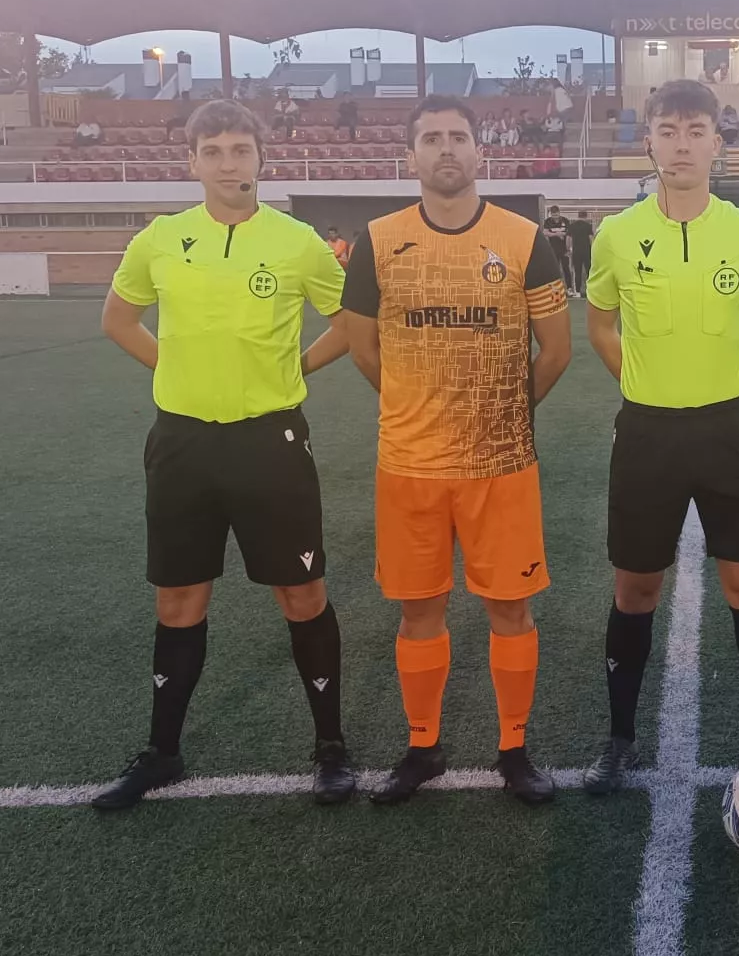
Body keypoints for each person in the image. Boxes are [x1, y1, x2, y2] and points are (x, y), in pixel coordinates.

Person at [90, 99, 356, 810]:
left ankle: (330, 747)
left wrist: (298, 366)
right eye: (214, 151)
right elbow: (118, 318)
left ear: (262, 159)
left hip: (270, 442)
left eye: (241, 149)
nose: (228, 162)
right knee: (179, 600)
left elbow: (358, 322)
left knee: (301, 594)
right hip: (181, 443)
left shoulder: (299, 241)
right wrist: (171, 369)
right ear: (192, 162)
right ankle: (162, 752)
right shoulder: (160, 238)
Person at [342, 95, 574, 805]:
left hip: (498, 464)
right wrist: (421, 407)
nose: (446, 149)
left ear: (482, 153)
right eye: (431, 138)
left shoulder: (524, 237)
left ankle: (514, 749)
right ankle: (422, 747)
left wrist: (498, 410)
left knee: (511, 610)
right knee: (419, 613)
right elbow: (363, 349)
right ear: (410, 156)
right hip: (408, 465)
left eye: (459, 137)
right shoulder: (377, 241)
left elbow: (556, 351)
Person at [581, 78, 739, 793]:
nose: (681, 143)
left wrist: (724, 384)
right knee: (636, 589)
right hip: (646, 435)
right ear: (648, 140)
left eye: (695, 130)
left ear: (717, 144)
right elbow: (601, 326)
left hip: (729, 432)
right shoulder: (616, 235)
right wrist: (642, 385)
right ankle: (618, 738)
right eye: (667, 130)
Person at [567, 208, 595, 298]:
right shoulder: (588, 226)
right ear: (586, 216)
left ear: (578, 216)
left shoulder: (572, 226)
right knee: (589, 272)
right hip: (586, 252)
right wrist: (593, 250)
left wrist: (569, 249)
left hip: (576, 252)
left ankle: (578, 292)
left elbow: (568, 239)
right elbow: (591, 239)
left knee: (577, 271)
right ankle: (591, 291)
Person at [542, 204, 572, 278]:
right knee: (554, 268)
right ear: (551, 214)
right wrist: (557, 234)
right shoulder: (548, 221)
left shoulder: (565, 220)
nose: (555, 217)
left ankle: (569, 287)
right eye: (553, 215)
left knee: (566, 268)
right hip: (553, 248)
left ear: (559, 213)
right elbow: (545, 232)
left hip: (564, 249)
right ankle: (555, 285)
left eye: (556, 214)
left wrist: (562, 234)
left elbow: (569, 233)